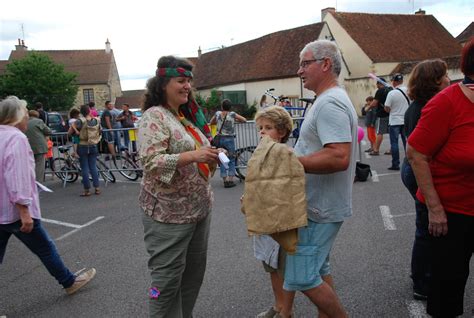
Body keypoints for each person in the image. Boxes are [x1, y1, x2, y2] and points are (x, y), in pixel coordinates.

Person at [279, 40, 357, 318]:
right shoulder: (328, 99)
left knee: (301, 276)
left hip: (318, 207)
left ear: (325, 64)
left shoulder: (330, 103)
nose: (299, 70)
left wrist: (289, 162)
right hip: (317, 204)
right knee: (319, 269)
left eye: (304, 63)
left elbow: (338, 156)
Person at [139, 55, 220, 318]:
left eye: (189, 81)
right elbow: (150, 161)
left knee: (192, 276)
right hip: (168, 214)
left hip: (197, 211)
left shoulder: (183, 116)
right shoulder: (154, 116)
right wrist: (195, 156)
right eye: (180, 81)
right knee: (163, 282)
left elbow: (195, 149)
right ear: (163, 84)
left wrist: (208, 153)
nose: (187, 86)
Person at [0, 96, 96, 296]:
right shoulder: (16, 138)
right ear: (17, 116)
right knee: (45, 248)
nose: (27, 117)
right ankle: (69, 281)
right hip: (15, 211)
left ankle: (69, 280)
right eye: (25, 113)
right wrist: (24, 209)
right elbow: (17, 176)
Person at [407, 39, 474, 317]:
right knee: (448, 285)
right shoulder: (446, 103)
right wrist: (434, 208)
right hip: (453, 212)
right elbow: (416, 154)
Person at [401, 59, 450, 301]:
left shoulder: (418, 105)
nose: (450, 81)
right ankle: (422, 281)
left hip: (411, 168)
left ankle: (422, 276)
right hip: (417, 169)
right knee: (426, 225)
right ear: (435, 82)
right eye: (445, 77)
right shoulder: (427, 108)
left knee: (425, 226)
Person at [252, 106, 295, 318]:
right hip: (263, 221)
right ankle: (278, 305)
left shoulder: (285, 153)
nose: (262, 131)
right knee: (270, 265)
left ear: (282, 132)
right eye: (260, 127)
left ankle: (287, 311)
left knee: (283, 269)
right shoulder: (260, 153)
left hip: (281, 221)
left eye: (268, 127)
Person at [209, 99, 247, 188]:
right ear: (230, 107)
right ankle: (230, 180)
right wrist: (234, 121)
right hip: (229, 139)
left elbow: (211, 122)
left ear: (222, 106)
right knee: (231, 159)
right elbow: (244, 120)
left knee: (222, 159)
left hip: (220, 139)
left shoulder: (218, 114)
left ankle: (225, 180)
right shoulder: (232, 114)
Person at [72, 104, 101, 197]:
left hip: (83, 145)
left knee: (84, 168)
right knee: (93, 167)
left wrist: (74, 128)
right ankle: (97, 188)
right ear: (89, 111)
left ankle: (87, 190)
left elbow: (70, 133)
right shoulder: (96, 120)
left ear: (81, 112)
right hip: (93, 144)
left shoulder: (80, 121)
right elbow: (101, 131)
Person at [384, 73, 410, 170]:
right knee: (406, 142)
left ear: (394, 82)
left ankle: (396, 164)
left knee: (394, 143)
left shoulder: (392, 93)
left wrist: (392, 110)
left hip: (394, 121)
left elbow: (387, 108)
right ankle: (409, 162)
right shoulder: (408, 90)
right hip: (405, 120)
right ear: (402, 81)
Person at [25, 110, 51, 182]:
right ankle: (38, 183)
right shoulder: (39, 121)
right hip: (40, 147)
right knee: (39, 166)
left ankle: (30, 181)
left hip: (27, 146)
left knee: (30, 165)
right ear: (37, 115)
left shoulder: (24, 122)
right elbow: (48, 131)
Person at [367, 78, 391, 155]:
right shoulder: (390, 90)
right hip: (391, 114)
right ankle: (392, 149)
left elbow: (374, 103)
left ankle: (376, 150)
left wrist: (368, 108)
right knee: (392, 133)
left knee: (380, 132)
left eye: (377, 84)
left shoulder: (380, 91)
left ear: (379, 84)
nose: (376, 86)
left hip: (382, 114)